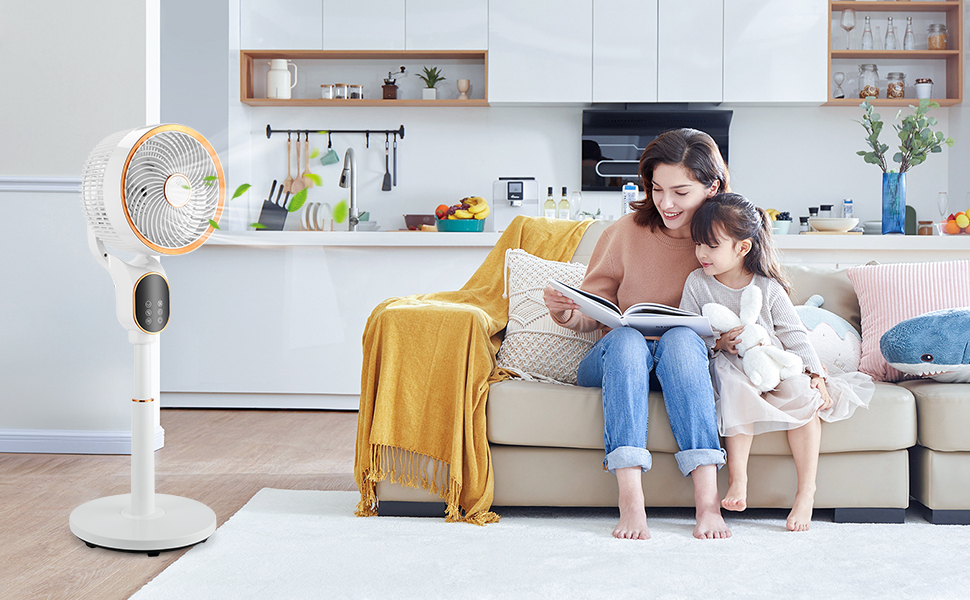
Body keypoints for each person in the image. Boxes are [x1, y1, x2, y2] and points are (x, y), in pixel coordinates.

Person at [543, 128, 731, 540]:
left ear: (711, 186)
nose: (666, 203)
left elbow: (762, 299)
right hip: (619, 359)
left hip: (685, 364)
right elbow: (594, 312)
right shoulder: (625, 231)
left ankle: (707, 503)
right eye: (657, 189)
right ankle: (631, 501)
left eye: (680, 192)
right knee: (628, 340)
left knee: (682, 337)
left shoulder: (728, 239)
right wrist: (567, 313)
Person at [679, 192, 874, 532]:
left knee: (804, 396)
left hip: (773, 362)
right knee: (733, 387)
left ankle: (806, 492)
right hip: (731, 365)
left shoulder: (767, 288)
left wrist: (816, 373)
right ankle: (739, 480)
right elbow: (686, 334)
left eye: (711, 246)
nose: (701, 254)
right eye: (698, 245)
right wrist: (718, 342)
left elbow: (795, 335)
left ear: (742, 248)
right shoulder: (698, 283)